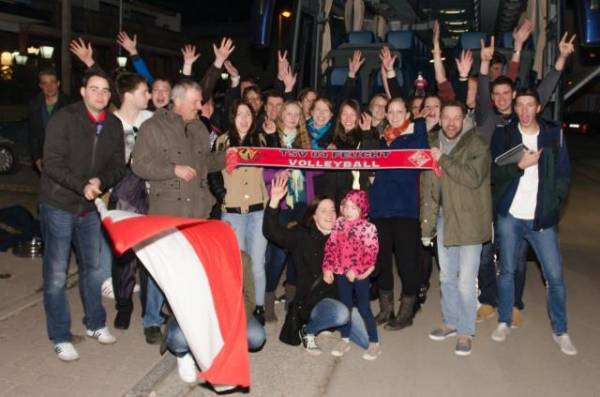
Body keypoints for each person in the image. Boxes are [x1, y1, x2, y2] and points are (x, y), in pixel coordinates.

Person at [475, 31, 576, 324]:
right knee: (485, 253)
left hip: (515, 196)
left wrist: (561, 58)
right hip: (487, 192)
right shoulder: (486, 117)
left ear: (517, 98)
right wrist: (484, 65)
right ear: (492, 100)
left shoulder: (523, 116)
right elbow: (483, 90)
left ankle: (515, 304)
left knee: (516, 257)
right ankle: (487, 300)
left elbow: (544, 90)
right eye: (498, 95)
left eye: (509, 94)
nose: (503, 98)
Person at [39, 68, 127, 361]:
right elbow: (51, 162)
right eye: (94, 89)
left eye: (105, 90)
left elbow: (118, 164)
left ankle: (95, 324)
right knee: (56, 276)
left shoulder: (113, 124)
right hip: (58, 205)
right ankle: (61, 336)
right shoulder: (64, 119)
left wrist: (101, 182)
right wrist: (81, 185)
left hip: (90, 209)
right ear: (82, 91)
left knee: (93, 270)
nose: (100, 95)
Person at [490, 89, 577, 356]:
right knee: (506, 271)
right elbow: (494, 171)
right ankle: (504, 320)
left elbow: (563, 174)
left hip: (542, 219)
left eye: (530, 105)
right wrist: (519, 166)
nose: (525, 111)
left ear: (539, 107)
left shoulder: (553, 135)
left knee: (555, 276)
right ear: (514, 108)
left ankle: (560, 330)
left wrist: (554, 203)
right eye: (520, 106)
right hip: (511, 216)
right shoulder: (504, 134)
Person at [264, 174, 370, 355]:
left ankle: (327, 322)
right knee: (341, 314)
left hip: (339, 298)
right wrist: (274, 202)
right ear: (313, 216)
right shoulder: (301, 235)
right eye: (323, 210)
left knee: (366, 340)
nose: (330, 214)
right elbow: (272, 232)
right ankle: (309, 329)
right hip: (311, 302)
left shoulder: (344, 235)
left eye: (333, 210)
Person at [420, 101, 492, 356]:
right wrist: (426, 224)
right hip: (443, 218)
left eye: (456, 118)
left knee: (465, 282)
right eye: (446, 117)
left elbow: (473, 177)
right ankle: (450, 322)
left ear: (464, 119)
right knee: (446, 276)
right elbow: (427, 186)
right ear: (439, 117)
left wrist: (444, 159)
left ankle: (465, 331)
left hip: (470, 220)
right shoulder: (430, 140)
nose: (451, 123)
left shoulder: (477, 143)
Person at [369, 97, 429, 330]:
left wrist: (421, 122)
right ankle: (386, 309)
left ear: (407, 115)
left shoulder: (413, 137)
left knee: (407, 263)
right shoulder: (381, 139)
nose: (394, 115)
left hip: (405, 210)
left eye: (399, 111)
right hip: (380, 208)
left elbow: (423, 151)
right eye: (390, 111)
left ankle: (406, 311)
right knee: (382, 261)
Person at [165, 251, 266, 383]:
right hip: (195, 313)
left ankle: (225, 351)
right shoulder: (189, 256)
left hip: (231, 313)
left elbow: (249, 299)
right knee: (178, 338)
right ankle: (184, 355)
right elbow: (176, 298)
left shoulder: (241, 259)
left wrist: (231, 322)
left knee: (256, 336)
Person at [212, 101, 269, 324]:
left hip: (258, 211)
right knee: (236, 263)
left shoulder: (262, 141)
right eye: (239, 114)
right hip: (232, 211)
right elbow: (212, 170)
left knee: (257, 263)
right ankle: (235, 305)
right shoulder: (222, 142)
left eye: (248, 114)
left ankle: (259, 306)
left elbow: (275, 165)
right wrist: (220, 194)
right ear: (232, 117)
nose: (244, 119)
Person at [322, 190, 381, 360]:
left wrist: (357, 270)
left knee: (364, 308)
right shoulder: (339, 223)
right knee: (345, 306)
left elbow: (371, 253)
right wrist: (328, 267)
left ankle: (374, 343)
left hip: (360, 275)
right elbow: (331, 247)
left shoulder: (369, 228)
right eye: (346, 207)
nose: (349, 211)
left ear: (362, 209)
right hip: (341, 273)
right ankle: (345, 339)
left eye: (354, 208)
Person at [28, 68, 71, 173]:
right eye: (45, 83)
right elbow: (33, 134)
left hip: (66, 158)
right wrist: (36, 158)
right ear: (40, 86)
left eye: (52, 82)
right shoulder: (34, 105)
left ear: (58, 84)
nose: (49, 87)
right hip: (44, 158)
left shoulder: (70, 105)